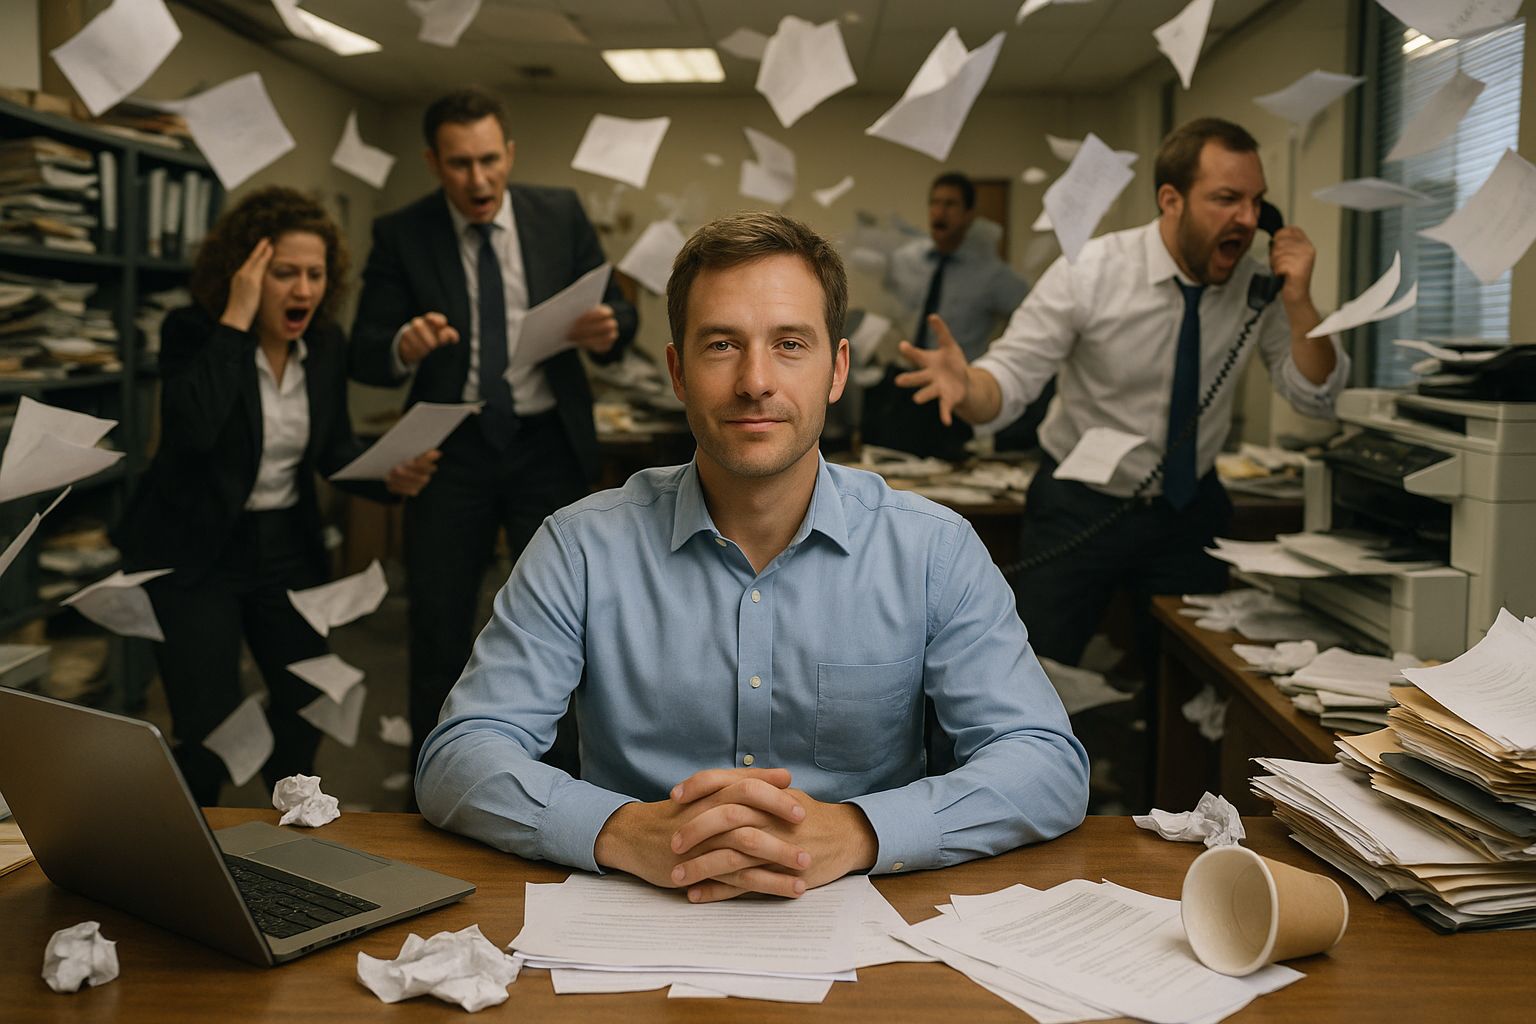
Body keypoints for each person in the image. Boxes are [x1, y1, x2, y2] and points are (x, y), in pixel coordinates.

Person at [417, 212, 1088, 902]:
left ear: (838, 369)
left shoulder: (932, 550)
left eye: (790, 344)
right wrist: (622, 830)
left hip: (859, 920)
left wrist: (861, 831)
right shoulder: (579, 546)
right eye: (721, 346)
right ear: (677, 371)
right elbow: (458, 758)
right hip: (631, 916)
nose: (755, 381)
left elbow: (1046, 764)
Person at [896, 117, 1349, 680]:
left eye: (1258, 203)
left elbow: (1317, 397)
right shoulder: (1091, 271)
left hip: (1188, 512)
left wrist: (1301, 301)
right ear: (1171, 199)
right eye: (1227, 199)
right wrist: (968, 389)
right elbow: (1008, 381)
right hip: (1078, 508)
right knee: (1031, 676)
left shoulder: (1257, 285)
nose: (1250, 220)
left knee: (1188, 685)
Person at [115, 187, 439, 806]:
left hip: (286, 547)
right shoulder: (192, 331)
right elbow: (193, 431)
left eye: (315, 275)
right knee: (205, 722)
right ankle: (193, 844)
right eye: (284, 273)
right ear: (246, 274)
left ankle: (289, 823)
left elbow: (331, 450)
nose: (303, 291)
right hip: (194, 548)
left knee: (304, 701)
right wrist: (235, 321)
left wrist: (386, 480)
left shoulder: (325, 346)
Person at [349, 88, 638, 764]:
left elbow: (621, 315)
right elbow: (364, 347)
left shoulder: (559, 213)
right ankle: (435, 783)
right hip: (454, 453)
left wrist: (608, 328)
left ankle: (568, 780)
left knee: (569, 621)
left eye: (488, 160)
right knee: (440, 622)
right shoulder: (403, 232)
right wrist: (404, 344)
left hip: (547, 445)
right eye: (458, 165)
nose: (477, 181)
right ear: (432, 163)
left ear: (509, 153)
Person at [864, 172, 1036, 459]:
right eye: (935, 203)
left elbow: (1033, 316)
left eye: (951, 204)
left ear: (969, 214)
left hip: (952, 390)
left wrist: (997, 359)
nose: (939, 212)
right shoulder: (907, 260)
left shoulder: (991, 273)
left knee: (947, 482)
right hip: (901, 384)